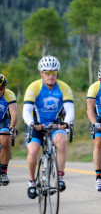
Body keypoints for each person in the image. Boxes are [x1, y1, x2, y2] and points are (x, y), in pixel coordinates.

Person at [23, 55, 75, 199]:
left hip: (54, 124)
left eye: (53, 72)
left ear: (57, 72)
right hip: (37, 125)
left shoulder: (63, 87)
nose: (50, 76)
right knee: (33, 151)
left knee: (62, 141)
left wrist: (66, 123)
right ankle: (32, 182)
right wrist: (32, 123)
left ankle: (60, 177)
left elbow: (70, 110)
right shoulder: (34, 87)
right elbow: (26, 110)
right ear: (41, 73)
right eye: (47, 72)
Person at [0, 74, 18, 185]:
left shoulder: (9, 94)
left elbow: (14, 114)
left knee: (6, 139)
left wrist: (12, 127)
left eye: (1, 88)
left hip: (3, 120)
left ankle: (3, 172)